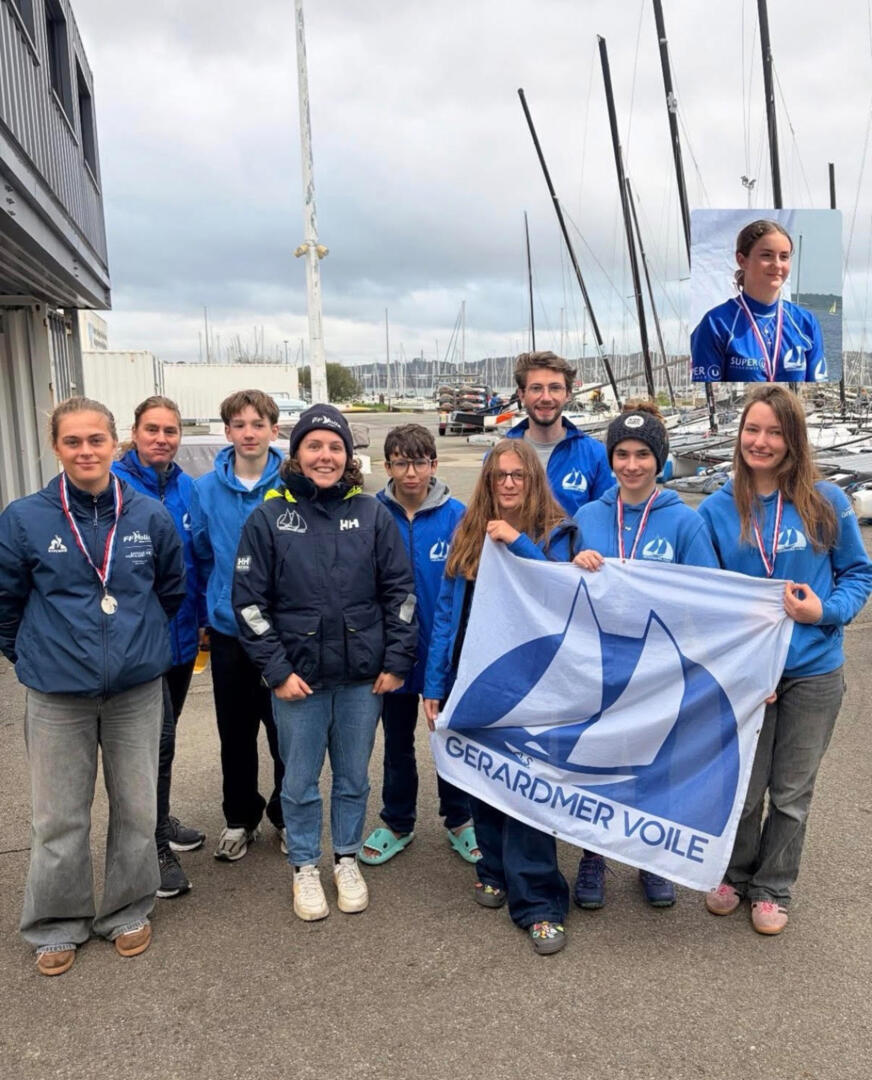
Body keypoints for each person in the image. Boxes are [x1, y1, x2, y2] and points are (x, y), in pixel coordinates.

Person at [0, 397, 186, 976]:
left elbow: (171, 591)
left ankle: (127, 910)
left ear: (115, 445)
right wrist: (36, 656)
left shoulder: (149, 514)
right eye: (73, 441)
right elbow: (6, 604)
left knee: (136, 809)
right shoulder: (25, 517)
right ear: (57, 447)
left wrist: (136, 649)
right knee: (59, 817)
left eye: (96, 440)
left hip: (134, 691)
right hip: (58, 696)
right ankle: (57, 922)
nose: (86, 451)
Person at [697, 385, 872, 934]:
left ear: (793, 438)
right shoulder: (716, 509)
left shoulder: (826, 501)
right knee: (745, 790)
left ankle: (774, 888)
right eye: (753, 429)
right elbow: (706, 600)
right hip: (751, 676)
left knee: (792, 792)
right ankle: (736, 873)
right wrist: (740, 667)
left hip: (814, 671)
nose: (762, 441)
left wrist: (826, 611)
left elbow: (858, 574)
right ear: (739, 435)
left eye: (775, 431)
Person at [232, 405, 417, 921]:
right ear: (295, 454)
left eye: (334, 447)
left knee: (355, 777)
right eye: (314, 446)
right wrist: (277, 670)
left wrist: (397, 660)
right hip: (298, 681)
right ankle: (306, 866)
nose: (325, 456)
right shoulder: (268, 517)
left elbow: (400, 594)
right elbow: (249, 603)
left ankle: (346, 857)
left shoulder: (373, 515)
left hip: (363, 679)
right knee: (299, 781)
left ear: (347, 456)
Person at [422, 438, 577, 955]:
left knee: (528, 792)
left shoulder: (556, 529)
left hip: (533, 685)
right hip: (475, 677)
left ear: (533, 479)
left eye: (518, 475)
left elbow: (560, 594)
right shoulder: (469, 529)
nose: (508, 484)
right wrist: (434, 683)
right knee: (484, 782)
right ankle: (493, 866)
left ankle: (541, 902)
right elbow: (447, 613)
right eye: (498, 476)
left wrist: (517, 542)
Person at [569, 402, 719, 911]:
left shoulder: (685, 522)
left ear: (659, 459)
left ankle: (651, 857)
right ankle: (593, 854)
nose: (632, 465)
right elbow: (562, 589)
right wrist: (576, 564)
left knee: (657, 766)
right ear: (611, 459)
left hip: (659, 670)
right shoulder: (589, 515)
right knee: (599, 761)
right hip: (600, 664)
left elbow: (709, 596)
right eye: (622, 454)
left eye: (642, 455)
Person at [359, 424, 476, 867]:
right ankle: (398, 821)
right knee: (397, 742)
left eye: (421, 461)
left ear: (434, 464)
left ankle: (461, 819)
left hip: (443, 654)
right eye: (402, 462)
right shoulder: (369, 513)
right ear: (387, 466)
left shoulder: (459, 516)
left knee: (449, 738)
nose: (412, 472)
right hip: (390, 655)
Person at [113, 395, 205, 899]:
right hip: (137, 645)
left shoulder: (187, 488)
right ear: (134, 431)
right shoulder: (114, 486)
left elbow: (196, 560)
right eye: (153, 429)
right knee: (156, 743)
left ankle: (159, 818)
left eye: (171, 431)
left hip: (183, 638)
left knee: (164, 745)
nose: (162, 439)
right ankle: (150, 845)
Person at [190, 390, 286, 862]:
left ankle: (288, 815)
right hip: (229, 632)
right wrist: (208, 614)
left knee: (286, 732)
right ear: (226, 432)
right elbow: (204, 555)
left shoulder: (293, 481)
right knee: (235, 731)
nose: (249, 432)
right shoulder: (203, 489)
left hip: (284, 633)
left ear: (273, 428)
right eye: (239, 424)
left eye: (258, 423)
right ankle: (239, 817)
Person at [691, 219, 827, 383]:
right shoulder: (715, 323)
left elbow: (817, 383)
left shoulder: (806, 322)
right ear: (742, 260)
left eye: (784, 257)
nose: (777, 264)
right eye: (767, 255)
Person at [506, 351, 613, 516]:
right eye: (536, 388)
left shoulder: (596, 455)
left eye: (555, 388)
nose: (546, 397)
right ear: (521, 395)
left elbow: (607, 522)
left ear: (568, 394)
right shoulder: (500, 455)